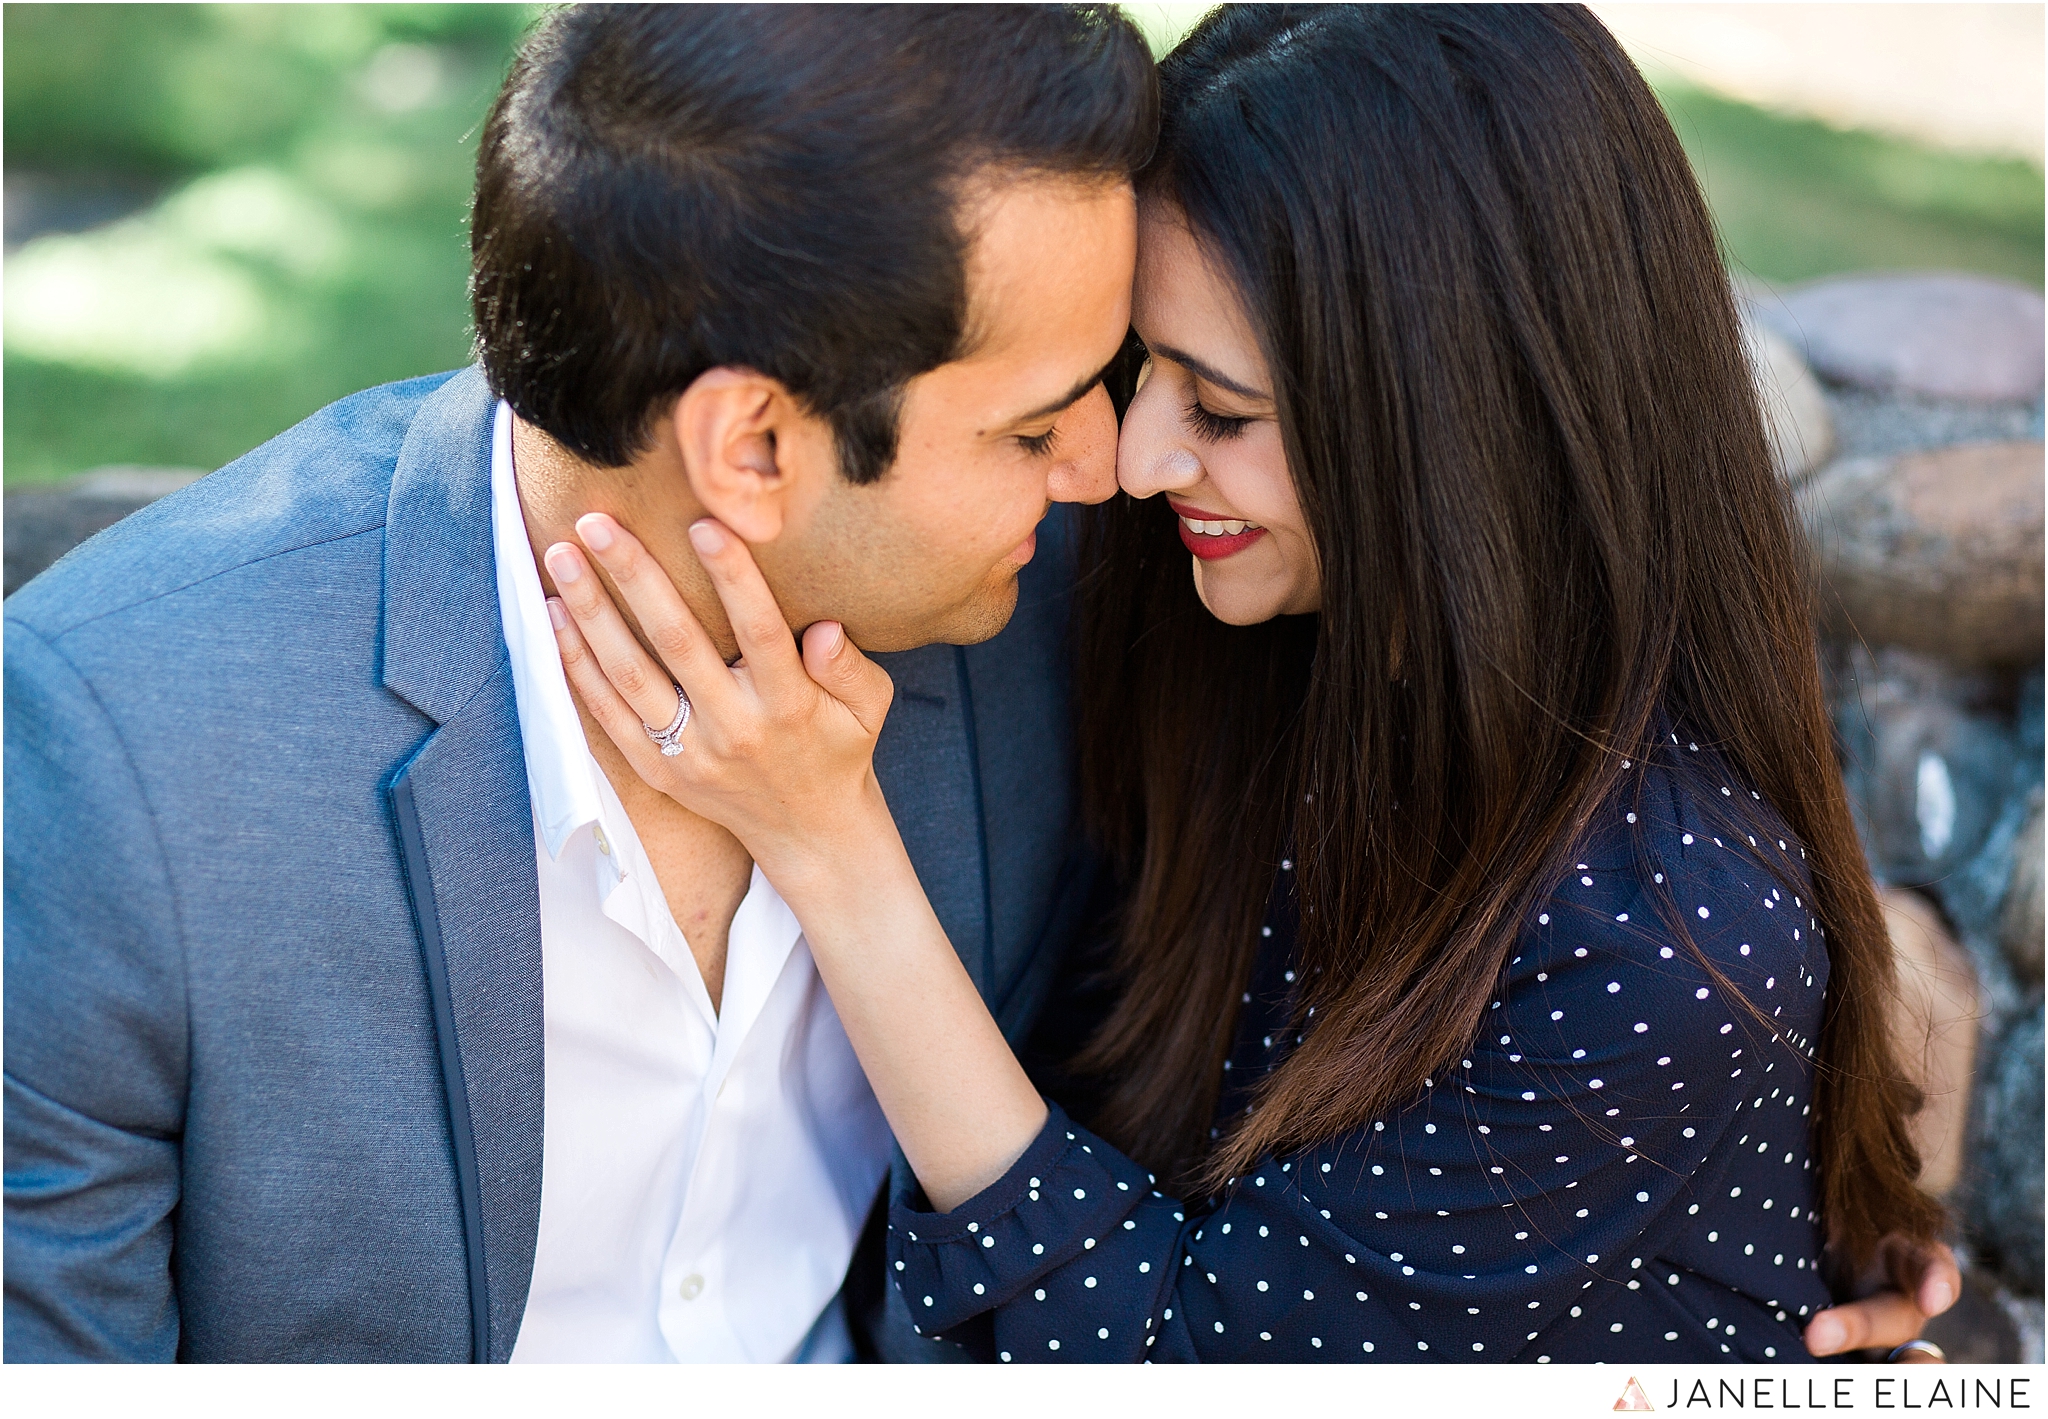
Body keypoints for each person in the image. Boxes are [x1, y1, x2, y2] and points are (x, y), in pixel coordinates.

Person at [541, 4, 1962, 1363]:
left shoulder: (1655, 943)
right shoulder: (1242, 623)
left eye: (1219, 411)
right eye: (1128, 368)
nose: (1133, 463)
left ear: (1452, 425)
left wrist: (830, 844)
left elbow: (1180, 1362)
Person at [3, 3, 1150, 1362]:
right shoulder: (128, 759)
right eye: (1035, 426)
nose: (1108, 464)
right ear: (754, 448)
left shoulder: (1063, 615)